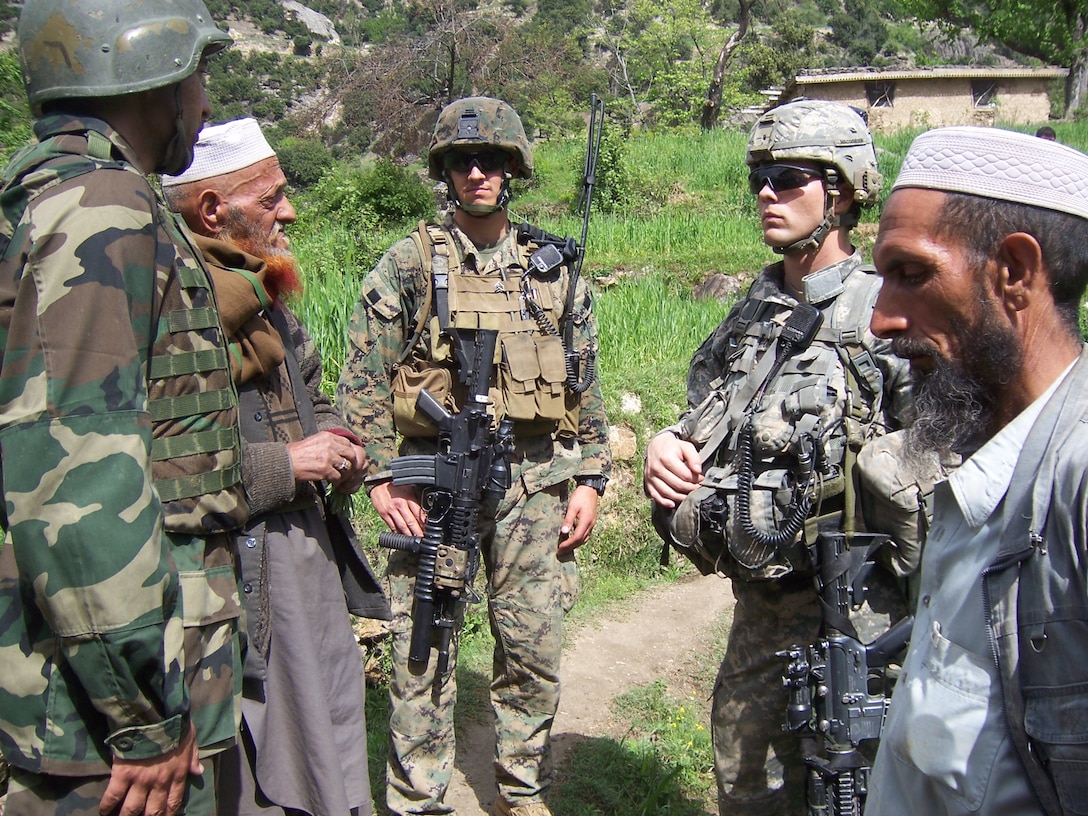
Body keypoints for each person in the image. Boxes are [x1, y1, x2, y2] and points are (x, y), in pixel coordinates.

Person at [0, 2, 246, 816]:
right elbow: (78, 469)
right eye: (198, 77)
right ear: (156, 74)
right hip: (100, 729)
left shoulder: (49, 196)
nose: (205, 103)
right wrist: (143, 712)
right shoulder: (101, 205)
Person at [337, 96, 612, 816]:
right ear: (446, 172)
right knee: (421, 647)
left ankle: (523, 791)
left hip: (534, 485)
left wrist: (591, 476)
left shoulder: (551, 268)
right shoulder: (408, 262)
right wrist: (378, 478)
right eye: (463, 161)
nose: (477, 173)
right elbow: (361, 380)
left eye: (491, 160)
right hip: (436, 488)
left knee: (531, 649)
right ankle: (418, 798)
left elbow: (582, 377)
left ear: (513, 169)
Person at [644, 100, 916, 816]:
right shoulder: (754, 309)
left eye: (790, 177)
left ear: (847, 189)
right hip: (761, 613)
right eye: (760, 177)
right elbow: (707, 413)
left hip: (861, 620)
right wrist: (666, 442)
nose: (767, 193)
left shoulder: (884, 312)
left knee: (853, 793)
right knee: (744, 787)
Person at [161, 118, 391, 816]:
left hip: (303, 561)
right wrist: (287, 463)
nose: (288, 212)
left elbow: (313, 398)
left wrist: (339, 450)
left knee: (326, 725)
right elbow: (149, 465)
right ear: (211, 210)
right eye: (271, 199)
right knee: (254, 757)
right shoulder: (168, 311)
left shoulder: (266, 301)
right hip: (227, 577)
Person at [863, 128, 1088, 815]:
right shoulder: (989, 460)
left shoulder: (1075, 481)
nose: (880, 319)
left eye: (912, 273)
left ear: (1014, 272)